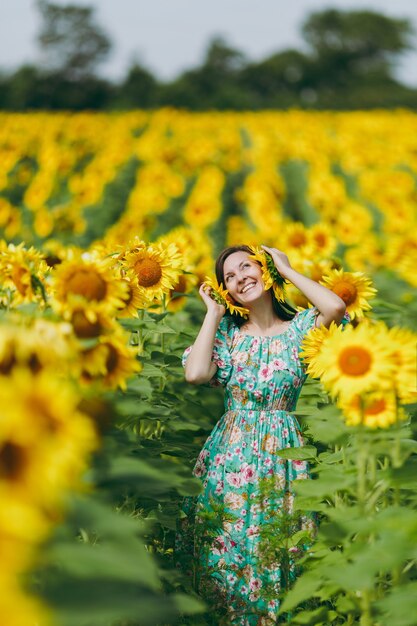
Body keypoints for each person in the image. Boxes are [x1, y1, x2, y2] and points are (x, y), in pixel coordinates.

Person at [180, 244, 346, 625]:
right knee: (226, 557)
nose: (240, 279)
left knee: (279, 551)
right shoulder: (228, 334)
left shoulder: (301, 329)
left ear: (265, 270)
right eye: (230, 279)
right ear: (227, 292)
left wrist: (286, 269)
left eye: (246, 267)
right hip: (229, 460)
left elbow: (335, 308)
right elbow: (195, 374)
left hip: (283, 457)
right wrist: (213, 313)